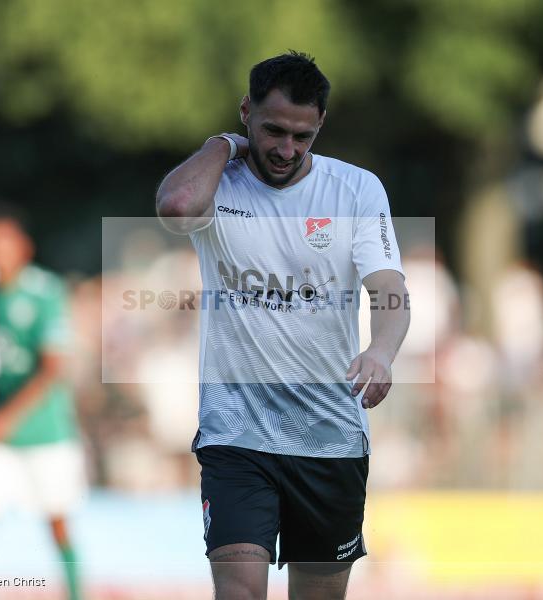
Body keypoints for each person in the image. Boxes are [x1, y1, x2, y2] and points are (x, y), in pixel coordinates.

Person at [155, 51, 410, 600]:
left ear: (320, 127)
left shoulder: (356, 190)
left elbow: (388, 288)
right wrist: (220, 146)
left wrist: (382, 352)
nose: (286, 149)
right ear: (246, 111)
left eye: (303, 136)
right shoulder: (217, 182)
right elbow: (176, 207)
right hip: (236, 435)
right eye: (272, 130)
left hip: (329, 436)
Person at [0, 206, 85, 600]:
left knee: (57, 524)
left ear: (23, 247)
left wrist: (6, 416)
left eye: (3, 244)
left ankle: (76, 594)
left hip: (46, 432)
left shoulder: (45, 292)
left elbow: (53, 367)